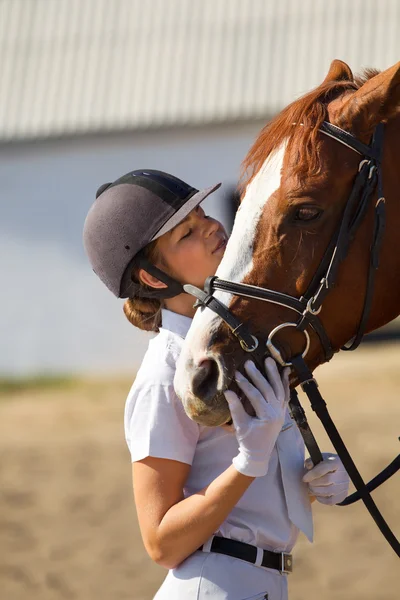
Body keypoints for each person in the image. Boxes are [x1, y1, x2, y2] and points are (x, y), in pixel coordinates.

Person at [83, 169, 350, 600]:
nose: (211, 226)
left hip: (261, 581)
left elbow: (246, 499)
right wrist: (248, 461)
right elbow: (161, 542)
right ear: (153, 277)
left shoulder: (238, 347)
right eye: (187, 231)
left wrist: (309, 483)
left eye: (203, 214)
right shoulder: (163, 376)